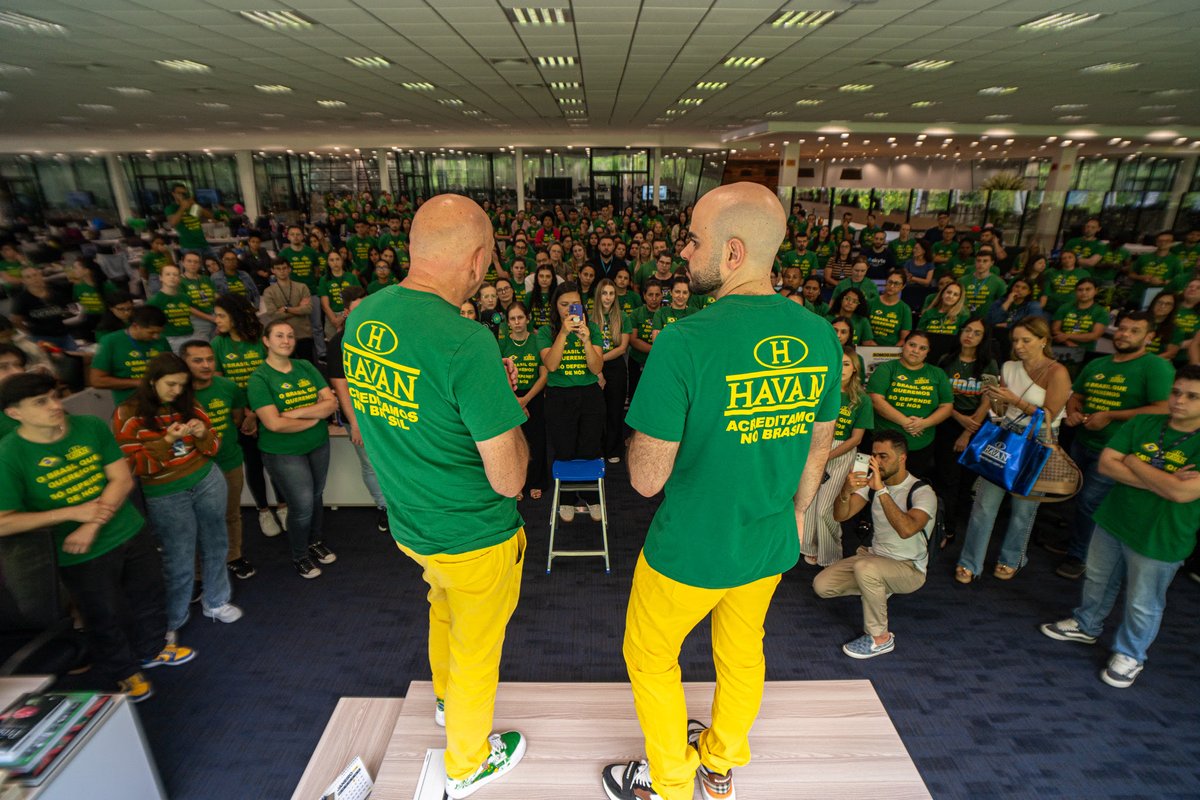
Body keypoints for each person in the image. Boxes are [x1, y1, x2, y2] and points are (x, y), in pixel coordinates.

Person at [603, 183, 840, 800]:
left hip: (689, 549)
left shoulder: (684, 341)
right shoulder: (819, 334)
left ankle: (670, 780)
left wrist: (643, 429)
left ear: (732, 253)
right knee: (742, 653)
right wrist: (794, 514)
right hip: (768, 539)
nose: (682, 252)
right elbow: (819, 445)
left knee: (650, 655)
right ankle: (720, 761)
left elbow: (645, 480)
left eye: (693, 240)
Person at [346, 195, 530, 798]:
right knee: (478, 648)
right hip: (474, 532)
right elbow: (509, 477)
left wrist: (483, 399)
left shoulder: (364, 316)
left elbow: (404, 408)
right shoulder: (466, 341)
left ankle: (449, 704)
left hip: (411, 523)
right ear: (477, 260)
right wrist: (508, 409)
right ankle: (467, 763)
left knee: (442, 607)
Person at [0, 372, 195, 703]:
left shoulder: (88, 426)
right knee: (104, 614)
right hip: (79, 552)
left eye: (55, 396)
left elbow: (121, 479)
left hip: (128, 529)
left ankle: (153, 648)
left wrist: (91, 522)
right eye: (41, 402)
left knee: (149, 593)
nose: (55, 405)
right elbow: (4, 522)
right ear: (14, 413)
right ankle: (124, 671)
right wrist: (69, 514)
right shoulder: (9, 454)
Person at [1040, 365, 1200, 688]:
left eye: (1192, 396)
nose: (1179, 400)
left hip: (1161, 535)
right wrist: (1165, 481)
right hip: (1114, 518)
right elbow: (1106, 464)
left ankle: (1131, 654)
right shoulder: (1144, 422)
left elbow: (1182, 494)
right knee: (1098, 579)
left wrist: (1133, 461)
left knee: (1143, 601)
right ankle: (1086, 625)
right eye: (1175, 392)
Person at [113, 353, 243, 630]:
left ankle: (216, 600)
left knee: (216, 542)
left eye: (182, 385)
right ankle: (173, 620)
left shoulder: (189, 404)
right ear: (152, 381)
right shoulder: (127, 414)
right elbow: (136, 466)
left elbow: (213, 448)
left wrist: (202, 434)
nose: (177, 391)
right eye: (171, 384)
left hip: (207, 480)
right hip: (165, 493)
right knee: (178, 557)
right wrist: (168, 440)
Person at [1055, 312, 1174, 580]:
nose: (1125, 335)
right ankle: (1078, 543)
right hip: (1083, 441)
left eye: (1134, 331)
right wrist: (1073, 412)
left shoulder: (1155, 366)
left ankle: (1080, 556)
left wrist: (1110, 415)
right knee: (1078, 497)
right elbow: (1076, 396)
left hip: (1116, 451)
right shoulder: (1098, 363)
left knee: (1090, 502)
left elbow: (1162, 409)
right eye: (1122, 329)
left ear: (1149, 337)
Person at [954, 315, 1071, 582]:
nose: (1019, 346)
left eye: (1026, 340)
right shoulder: (1009, 366)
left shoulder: (1058, 372)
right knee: (984, 505)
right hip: (1006, 433)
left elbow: (1050, 415)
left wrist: (1014, 400)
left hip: (1040, 439)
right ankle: (970, 562)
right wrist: (996, 400)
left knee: (1023, 509)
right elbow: (1000, 412)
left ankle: (1011, 558)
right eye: (1015, 340)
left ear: (1043, 341)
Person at [815, 429, 935, 658]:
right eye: (874, 455)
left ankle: (880, 638)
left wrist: (881, 490)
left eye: (883, 456)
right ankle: (878, 587)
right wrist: (846, 491)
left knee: (865, 569)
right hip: (875, 558)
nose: (876, 462)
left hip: (909, 568)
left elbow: (906, 529)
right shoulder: (871, 484)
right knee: (822, 586)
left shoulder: (922, 491)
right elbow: (841, 515)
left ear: (902, 458)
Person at [247, 321, 339, 579]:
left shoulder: (305, 366)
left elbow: (331, 404)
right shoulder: (259, 378)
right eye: (279, 336)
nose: (286, 340)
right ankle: (300, 555)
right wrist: (314, 417)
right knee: (302, 505)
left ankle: (315, 541)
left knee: (317, 495)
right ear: (266, 341)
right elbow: (274, 424)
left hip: (317, 443)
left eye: (290, 335)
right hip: (283, 451)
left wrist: (295, 413)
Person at [182, 341, 256, 580]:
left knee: (231, 514)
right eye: (198, 360)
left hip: (228, 461)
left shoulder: (228, 387)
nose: (206, 365)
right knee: (194, 521)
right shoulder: (176, 393)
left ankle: (233, 556)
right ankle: (197, 573)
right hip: (192, 468)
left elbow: (236, 418)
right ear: (184, 363)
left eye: (210, 359)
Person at [211, 294, 284, 537]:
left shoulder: (261, 338)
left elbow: (273, 374)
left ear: (236, 316)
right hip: (238, 416)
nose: (216, 320)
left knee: (275, 462)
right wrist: (244, 413)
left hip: (268, 409)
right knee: (253, 464)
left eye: (221, 315)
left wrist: (256, 412)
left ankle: (283, 506)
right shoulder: (217, 344)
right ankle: (263, 510)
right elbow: (219, 383)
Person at [538, 281, 605, 522]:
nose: (569, 309)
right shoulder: (546, 332)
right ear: (555, 306)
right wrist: (564, 333)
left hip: (589, 395)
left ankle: (591, 496)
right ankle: (566, 499)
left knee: (590, 447)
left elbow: (596, 368)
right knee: (564, 450)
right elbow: (551, 365)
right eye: (564, 304)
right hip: (559, 397)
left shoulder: (592, 328)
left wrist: (586, 341)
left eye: (575, 304)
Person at [324, 288, 389, 533]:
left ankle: (402, 507)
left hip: (387, 413)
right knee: (371, 465)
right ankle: (385, 508)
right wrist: (356, 424)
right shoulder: (338, 343)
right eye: (358, 309)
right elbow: (341, 387)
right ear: (347, 312)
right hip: (360, 417)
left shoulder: (382, 336)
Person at [802, 345, 873, 567]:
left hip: (841, 453)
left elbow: (856, 439)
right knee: (808, 502)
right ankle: (808, 546)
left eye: (846, 364)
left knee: (825, 509)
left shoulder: (861, 400)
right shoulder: (821, 392)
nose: (841, 368)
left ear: (855, 368)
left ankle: (830, 554)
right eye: (838, 363)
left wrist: (826, 455)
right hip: (815, 447)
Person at [933, 319, 999, 531]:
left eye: (977, 333)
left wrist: (967, 432)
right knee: (948, 477)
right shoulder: (946, 360)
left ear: (983, 338)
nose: (970, 335)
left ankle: (960, 520)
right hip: (948, 421)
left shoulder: (988, 364)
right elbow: (938, 395)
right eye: (967, 330)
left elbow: (988, 400)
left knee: (967, 478)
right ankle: (947, 526)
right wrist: (957, 416)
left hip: (976, 424)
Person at [866, 331, 953, 477]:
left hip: (920, 446)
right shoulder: (887, 368)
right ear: (903, 345)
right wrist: (907, 422)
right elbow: (875, 399)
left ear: (928, 352)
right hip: (883, 445)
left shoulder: (937, 374)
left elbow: (947, 406)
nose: (916, 351)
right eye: (912, 345)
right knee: (876, 483)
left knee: (911, 486)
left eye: (922, 348)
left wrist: (924, 423)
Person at [499, 302, 548, 501]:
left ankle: (536, 482)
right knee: (514, 443)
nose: (517, 322)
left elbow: (544, 375)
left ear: (528, 319)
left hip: (533, 396)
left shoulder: (537, 341)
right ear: (508, 322)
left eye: (520, 317)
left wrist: (525, 400)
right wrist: (516, 401)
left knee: (536, 441)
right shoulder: (502, 344)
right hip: (510, 396)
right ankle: (517, 483)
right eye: (513, 319)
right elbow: (499, 375)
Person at [90, 306, 170, 405]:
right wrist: (138, 382)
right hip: (130, 403)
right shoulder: (110, 341)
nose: (156, 336)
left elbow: (171, 367)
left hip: (162, 401)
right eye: (151, 332)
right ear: (136, 326)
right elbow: (97, 380)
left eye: (159, 332)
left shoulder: (161, 340)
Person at [278, 224, 325, 361]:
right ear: (288, 236)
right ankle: (295, 354)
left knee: (317, 326)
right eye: (292, 234)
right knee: (296, 326)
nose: (295, 237)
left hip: (312, 292)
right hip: (292, 295)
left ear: (303, 236)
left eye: (298, 234)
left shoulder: (311, 252)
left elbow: (316, 270)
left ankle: (321, 353)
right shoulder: (284, 254)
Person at [262, 258, 315, 364]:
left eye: (284, 268)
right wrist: (298, 308)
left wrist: (286, 309)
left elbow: (308, 309)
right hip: (283, 337)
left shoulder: (302, 287)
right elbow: (273, 315)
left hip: (303, 334)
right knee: (287, 367)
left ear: (289, 269)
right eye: (278, 269)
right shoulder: (269, 292)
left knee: (308, 366)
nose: (282, 271)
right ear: (273, 270)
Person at [1051, 278, 1110, 363]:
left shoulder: (1101, 312)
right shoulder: (1065, 307)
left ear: (1096, 291)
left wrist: (1067, 336)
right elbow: (1055, 330)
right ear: (1075, 292)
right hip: (1060, 348)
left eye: (1088, 289)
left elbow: (1095, 335)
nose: (1084, 292)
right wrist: (1067, 341)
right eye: (1080, 290)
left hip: (1085, 352)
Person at [148, 263, 195, 353]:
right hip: (170, 339)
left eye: (175, 274)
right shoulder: (155, 300)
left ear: (179, 278)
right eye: (168, 274)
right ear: (161, 277)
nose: (172, 277)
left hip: (190, 336)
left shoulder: (185, 297)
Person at [628, 280, 663, 401]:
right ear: (644, 295)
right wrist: (656, 349)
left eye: (657, 295)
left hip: (660, 362)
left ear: (662, 295)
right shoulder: (636, 313)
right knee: (636, 396)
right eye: (650, 294)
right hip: (637, 361)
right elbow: (633, 340)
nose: (654, 298)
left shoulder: (666, 313)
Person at [165, 183, 213, 257]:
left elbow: (209, 216)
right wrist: (182, 207)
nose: (181, 195)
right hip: (189, 246)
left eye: (183, 193)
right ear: (173, 194)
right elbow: (173, 223)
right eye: (179, 193)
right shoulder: (171, 208)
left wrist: (195, 205)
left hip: (203, 243)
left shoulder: (191, 206)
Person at [179, 252, 218, 342]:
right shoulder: (180, 281)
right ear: (183, 263)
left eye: (196, 262)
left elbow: (216, 297)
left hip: (214, 316)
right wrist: (210, 318)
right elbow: (186, 307)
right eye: (189, 261)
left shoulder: (206, 279)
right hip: (196, 320)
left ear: (200, 264)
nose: (193, 264)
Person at [868, 270, 912, 347]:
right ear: (886, 282)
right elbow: (863, 331)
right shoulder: (871, 303)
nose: (892, 286)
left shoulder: (905, 309)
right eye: (890, 282)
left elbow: (903, 339)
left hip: (893, 349)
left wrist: (890, 351)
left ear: (903, 286)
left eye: (896, 283)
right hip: (868, 347)